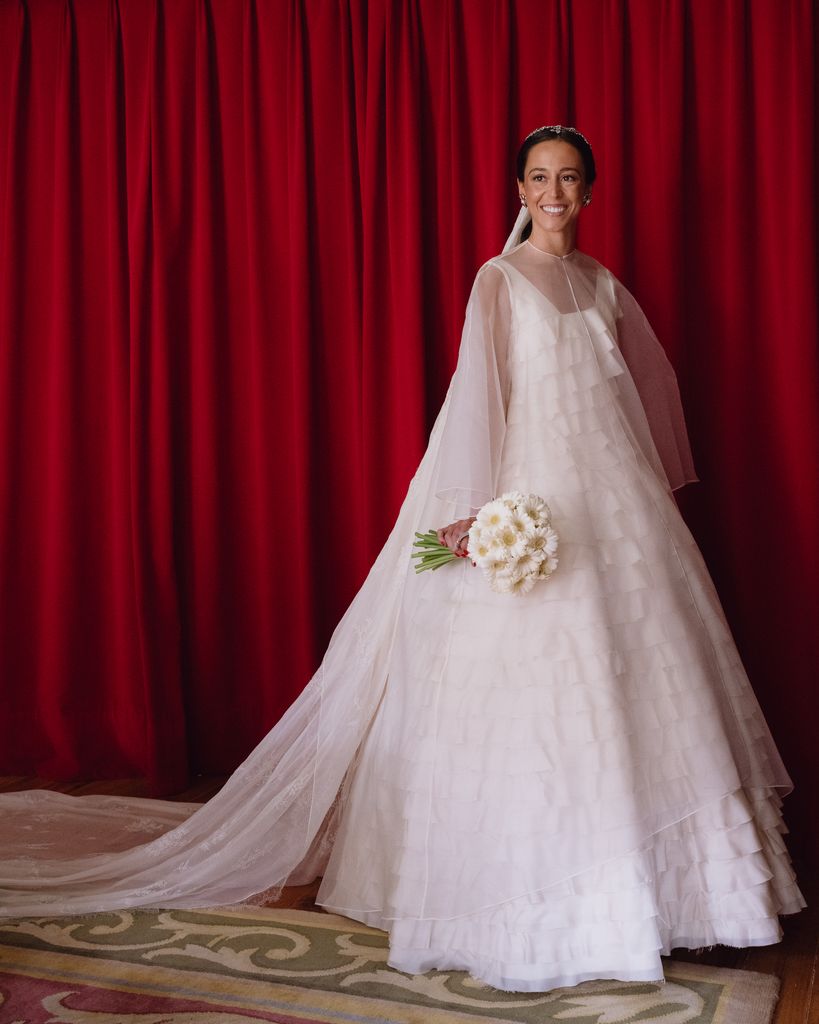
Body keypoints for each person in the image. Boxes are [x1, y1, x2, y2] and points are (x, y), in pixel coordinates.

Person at [0, 126, 805, 994]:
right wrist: (481, 519)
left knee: (647, 677)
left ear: (590, 191)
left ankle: (677, 900)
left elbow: (625, 403)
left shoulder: (602, 283)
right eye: (538, 177)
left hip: (613, 504)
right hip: (531, 499)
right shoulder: (496, 283)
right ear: (520, 188)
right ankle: (530, 896)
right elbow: (478, 402)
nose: (553, 193)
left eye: (569, 178)